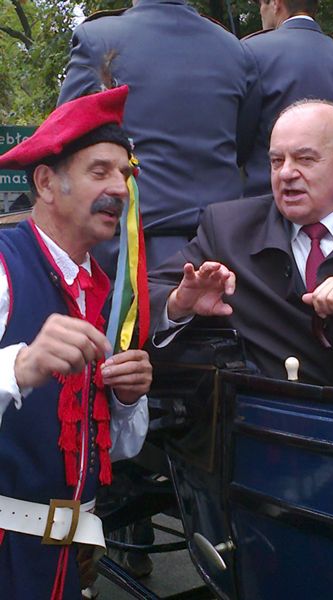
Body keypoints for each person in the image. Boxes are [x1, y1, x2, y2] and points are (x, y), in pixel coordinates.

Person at [149, 100, 333, 393]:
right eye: (276, 161)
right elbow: (141, 299)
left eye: (305, 159)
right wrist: (179, 303)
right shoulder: (228, 228)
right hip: (253, 418)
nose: (286, 173)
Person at [0, 86, 152, 599]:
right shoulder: (4, 264)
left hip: (69, 560)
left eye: (124, 174)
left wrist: (126, 399)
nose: (119, 189)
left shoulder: (104, 291)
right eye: (99, 171)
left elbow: (119, 448)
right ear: (46, 182)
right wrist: (19, 368)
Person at [58, 0, 256, 272]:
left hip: (133, 250)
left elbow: (65, 136)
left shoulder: (98, 38)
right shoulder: (235, 49)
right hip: (224, 249)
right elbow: (243, 146)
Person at [237, 0, 333, 196]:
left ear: (275, 3)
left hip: (267, 201)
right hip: (331, 203)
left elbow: (237, 141)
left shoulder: (249, 53)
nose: (261, 12)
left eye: (261, 4)